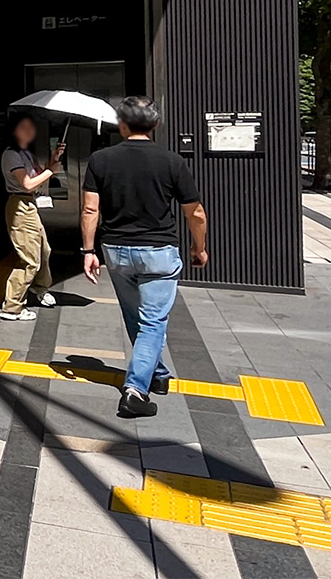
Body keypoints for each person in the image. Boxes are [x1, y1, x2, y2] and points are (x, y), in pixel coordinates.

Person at [81, 95, 208, 419]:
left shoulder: (100, 160)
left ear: (122, 124)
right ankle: (135, 391)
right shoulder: (171, 161)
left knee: (135, 317)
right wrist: (199, 247)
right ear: (155, 124)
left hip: (116, 252)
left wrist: (88, 251)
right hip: (158, 253)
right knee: (152, 322)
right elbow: (195, 212)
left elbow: (90, 209)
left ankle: (158, 374)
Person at [0, 116, 62, 321]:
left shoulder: (25, 153)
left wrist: (53, 159)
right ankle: (12, 307)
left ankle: (39, 287)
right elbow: (27, 184)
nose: (29, 131)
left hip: (29, 204)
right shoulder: (11, 154)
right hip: (20, 205)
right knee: (29, 259)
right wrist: (50, 170)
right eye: (23, 127)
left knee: (44, 249)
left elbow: (38, 178)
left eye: (30, 127)